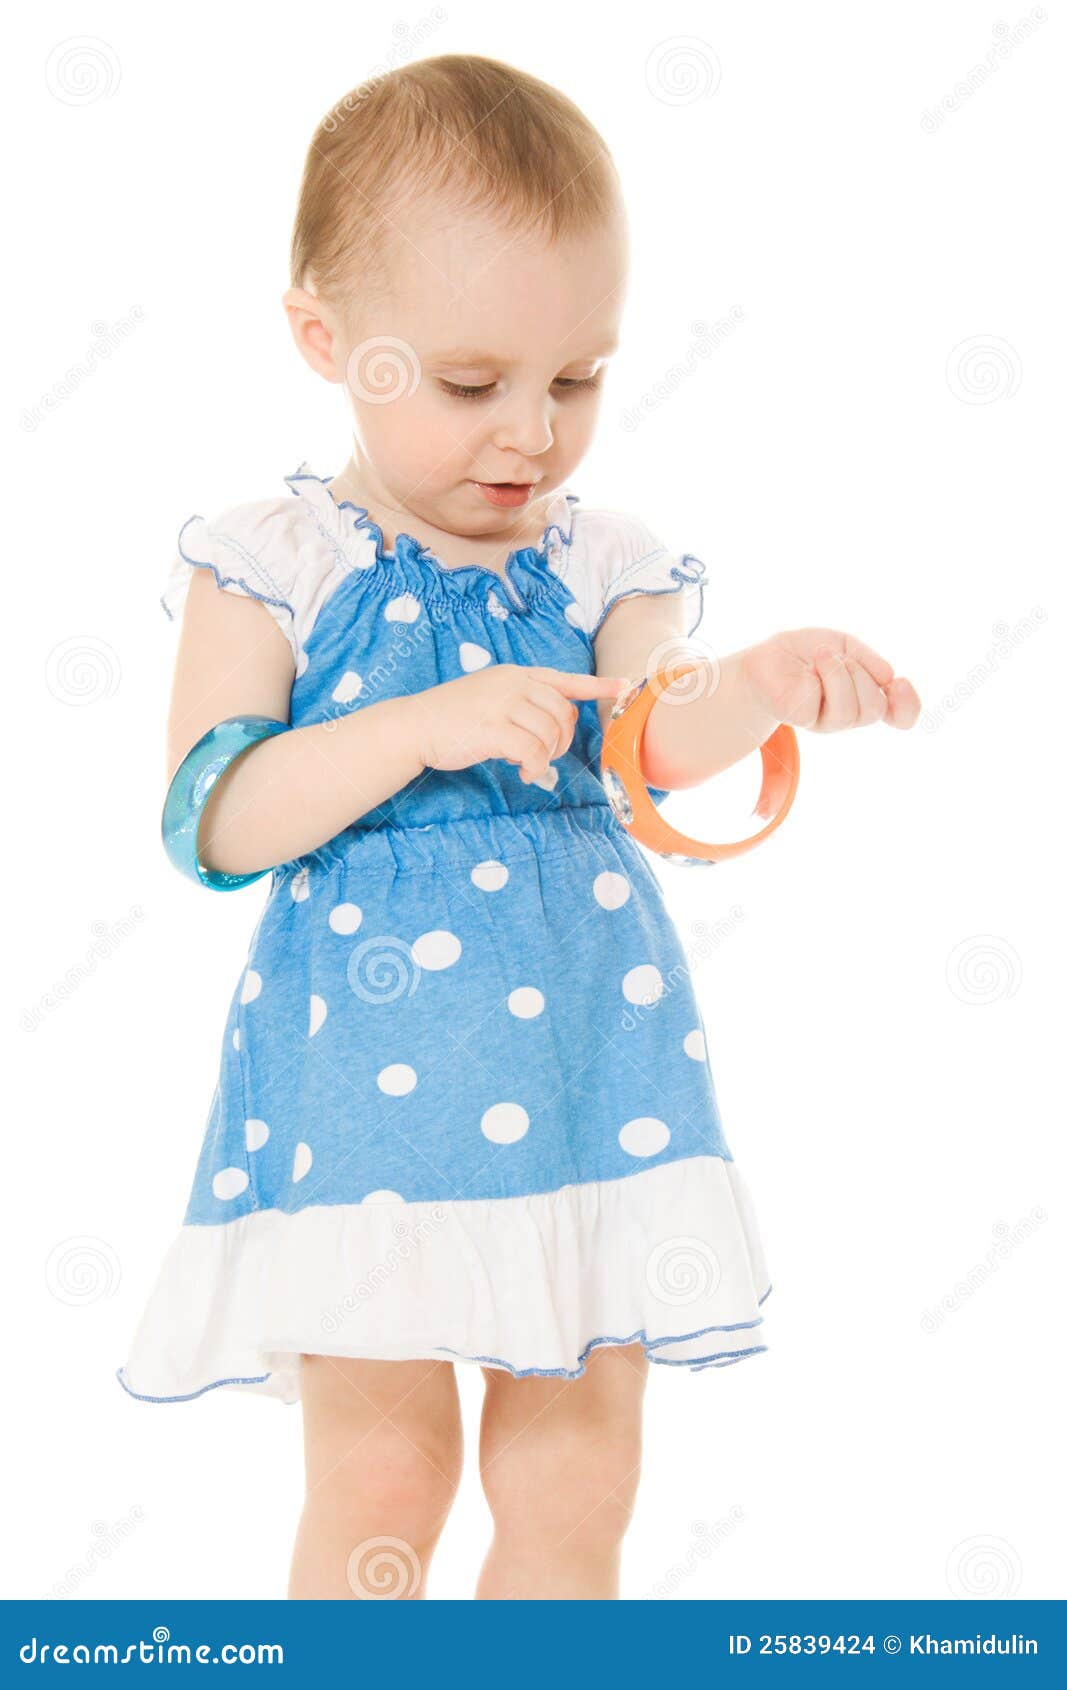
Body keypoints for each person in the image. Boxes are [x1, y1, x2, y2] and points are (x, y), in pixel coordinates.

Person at [117, 53, 920, 1601]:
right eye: (476, 384)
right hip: (367, 1092)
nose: (533, 435)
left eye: (579, 380)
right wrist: (411, 729)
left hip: (588, 1071)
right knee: (384, 1472)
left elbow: (645, 749)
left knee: (578, 1477)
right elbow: (212, 816)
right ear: (327, 345)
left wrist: (753, 684)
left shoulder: (603, 562)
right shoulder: (273, 560)